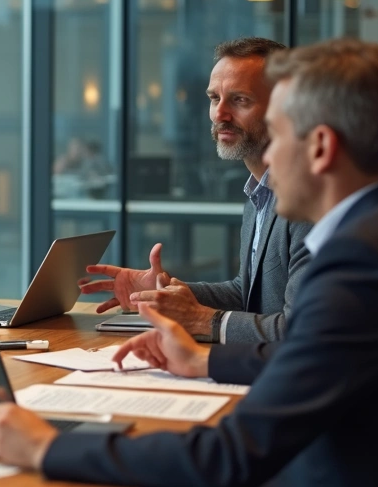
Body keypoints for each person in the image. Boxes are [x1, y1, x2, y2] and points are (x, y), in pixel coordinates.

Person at [0, 39, 378, 487]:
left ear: (322, 147)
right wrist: (202, 362)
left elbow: (229, 457)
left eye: (279, 132)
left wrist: (47, 447)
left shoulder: (361, 264)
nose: (268, 158)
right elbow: (314, 358)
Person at [80, 37, 312, 343]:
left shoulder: (309, 201)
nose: (220, 115)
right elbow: (247, 293)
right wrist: (164, 293)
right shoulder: (260, 192)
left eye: (240, 100)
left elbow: (298, 330)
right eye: (215, 98)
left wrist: (203, 320)